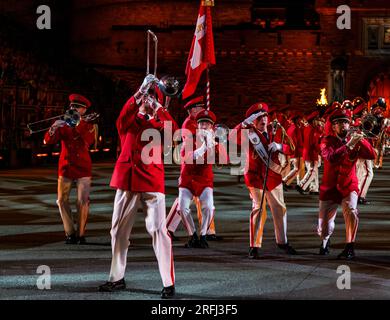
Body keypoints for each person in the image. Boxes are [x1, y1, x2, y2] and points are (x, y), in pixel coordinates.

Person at [98, 74, 178, 299]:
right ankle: (116, 278)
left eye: (152, 96)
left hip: (152, 181)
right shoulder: (130, 121)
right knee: (118, 231)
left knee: (159, 232)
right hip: (127, 181)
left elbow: (176, 130)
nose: (148, 99)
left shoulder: (161, 124)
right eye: (146, 96)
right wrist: (140, 91)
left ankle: (168, 282)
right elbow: (122, 117)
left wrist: (159, 108)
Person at [231, 102, 296, 259]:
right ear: (253, 120)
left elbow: (292, 148)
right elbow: (231, 137)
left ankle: (282, 241)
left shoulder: (276, 131)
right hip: (255, 177)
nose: (263, 120)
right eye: (259, 118)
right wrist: (244, 123)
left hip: (273, 176)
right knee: (258, 210)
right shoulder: (248, 133)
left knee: (280, 209)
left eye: (265, 117)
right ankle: (254, 246)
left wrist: (279, 146)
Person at [317, 108, 376, 259]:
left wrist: (361, 140)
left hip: (348, 184)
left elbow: (371, 155)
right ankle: (325, 240)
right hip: (329, 187)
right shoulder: (326, 140)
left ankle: (349, 247)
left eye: (346, 122)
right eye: (339, 123)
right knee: (323, 227)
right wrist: (348, 145)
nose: (343, 125)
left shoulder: (354, 138)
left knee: (352, 212)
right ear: (333, 126)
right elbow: (330, 157)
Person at [167, 109, 227, 249]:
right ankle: (192, 235)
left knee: (209, 207)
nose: (204, 127)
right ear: (197, 126)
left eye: (207, 124)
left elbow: (224, 161)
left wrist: (218, 144)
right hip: (187, 180)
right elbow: (185, 157)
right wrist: (204, 147)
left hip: (204, 181)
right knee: (182, 208)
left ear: (211, 127)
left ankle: (203, 235)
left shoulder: (215, 142)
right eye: (201, 124)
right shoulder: (190, 139)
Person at [44, 94, 96, 245]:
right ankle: (70, 233)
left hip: (83, 167)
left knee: (82, 201)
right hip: (66, 166)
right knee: (61, 200)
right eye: (72, 106)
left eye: (76, 107)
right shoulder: (62, 124)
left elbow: (89, 141)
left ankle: (80, 234)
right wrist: (54, 127)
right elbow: (47, 140)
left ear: (84, 110)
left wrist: (77, 124)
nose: (72, 109)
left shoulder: (90, 125)